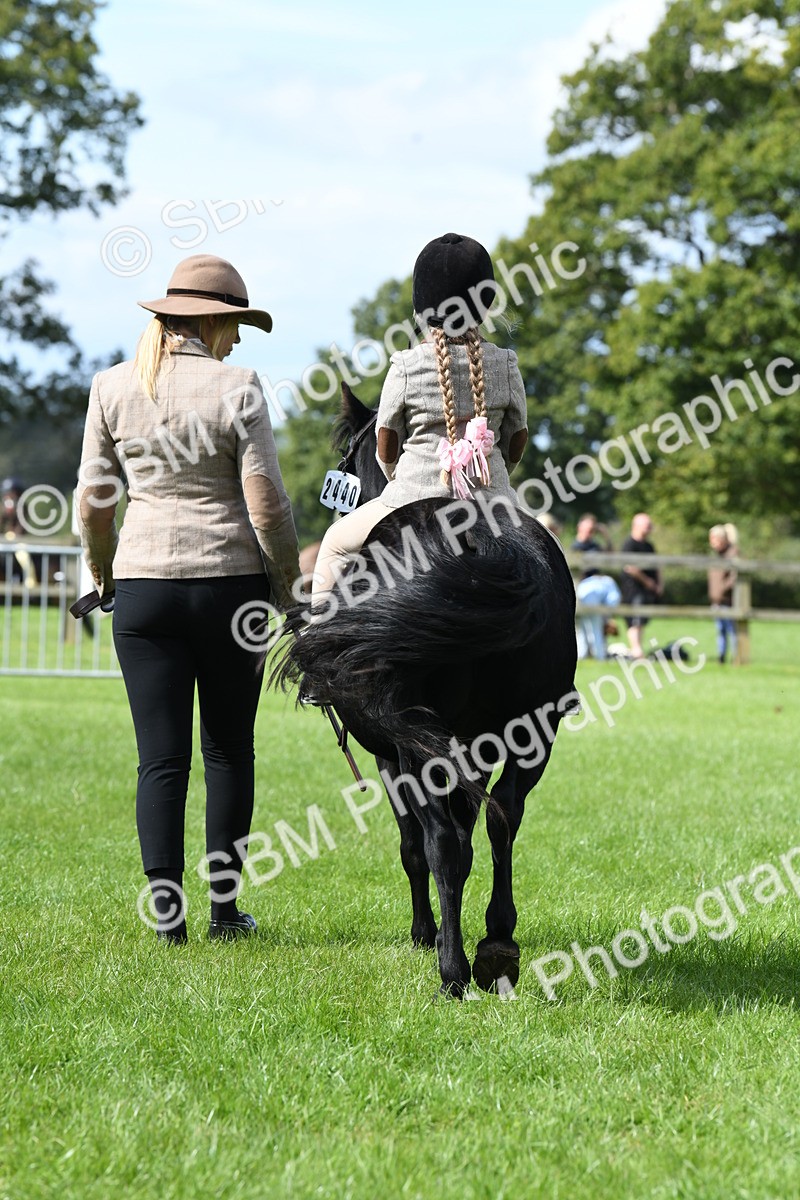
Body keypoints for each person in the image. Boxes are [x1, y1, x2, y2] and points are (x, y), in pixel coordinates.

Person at [75, 254, 300, 944]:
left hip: (144, 590)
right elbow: (265, 504)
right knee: (230, 750)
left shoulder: (112, 386)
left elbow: (92, 502)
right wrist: (289, 587)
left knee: (160, 759)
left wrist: (104, 573)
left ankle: (167, 919)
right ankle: (225, 913)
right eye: (233, 324)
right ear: (207, 319)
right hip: (230, 587)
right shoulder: (239, 386)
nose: (235, 340)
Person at [311, 232, 529, 607]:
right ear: (486, 304)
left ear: (421, 308)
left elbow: (386, 443)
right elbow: (516, 441)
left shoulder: (406, 365)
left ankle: (317, 648)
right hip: (493, 503)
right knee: (551, 555)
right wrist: (489, 471)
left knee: (332, 547)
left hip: (411, 497)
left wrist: (396, 476)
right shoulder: (506, 364)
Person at [620, 512, 662, 659]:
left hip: (646, 590)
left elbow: (657, 566)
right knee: (634, 619)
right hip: (633, 589)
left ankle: (637, 649)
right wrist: (648, 582)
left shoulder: (649, 546)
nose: (650, 528)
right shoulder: (629, 544)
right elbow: (630, 568)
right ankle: (636, 650)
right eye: (647, 525)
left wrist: (658, 584)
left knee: (642, 620)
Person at [708, 523, 739, 664]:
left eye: (714, 539)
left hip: (728, 600)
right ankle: (721, 657)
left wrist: (722, 590)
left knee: (732, 631)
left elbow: (734, 577)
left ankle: (736, 657)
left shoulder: (733, 554)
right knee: (720, 631)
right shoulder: (716, 556)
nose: (712, 542)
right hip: (717, 601)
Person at [575, 571, 621, 660]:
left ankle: (582, 655)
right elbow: (613, 599)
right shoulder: (608, 581)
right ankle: (599, 655)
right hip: (593, 603)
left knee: (583, 630)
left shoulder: (587, 581)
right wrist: (608, 615)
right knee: (596, 630)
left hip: (580, 601)